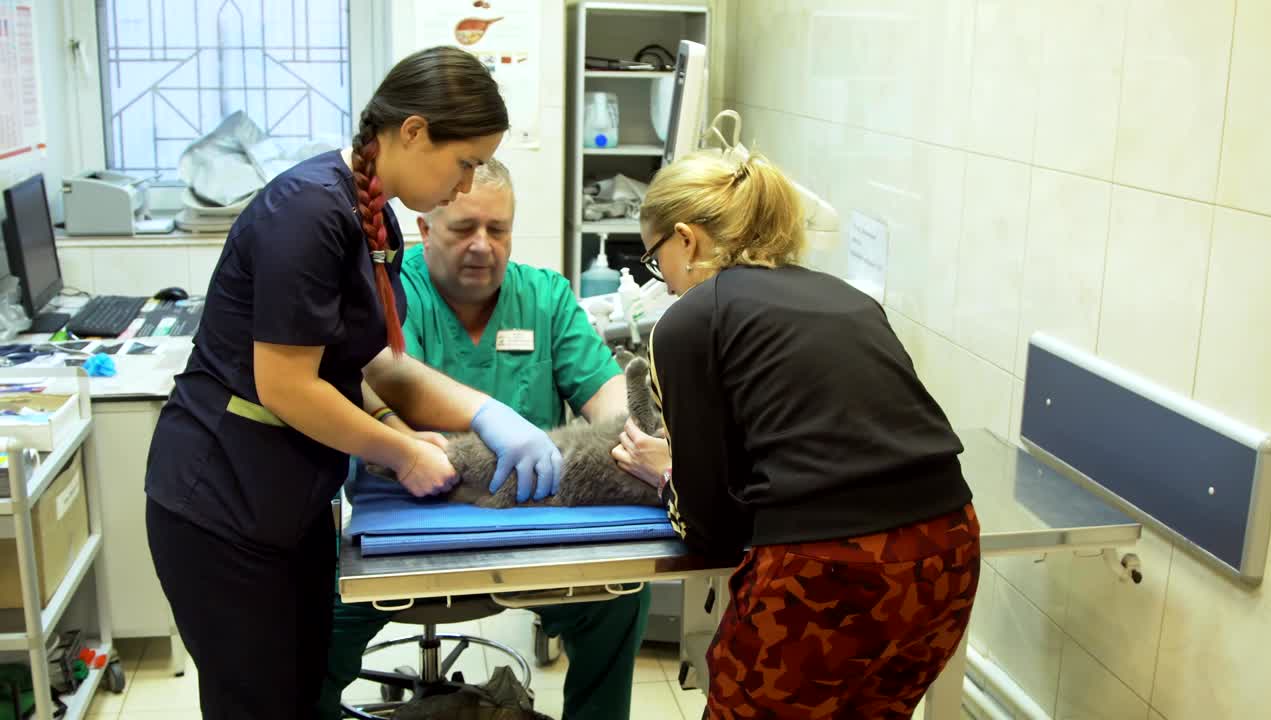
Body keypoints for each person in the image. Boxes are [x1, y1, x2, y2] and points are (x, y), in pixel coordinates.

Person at [144, 47, 566, 719]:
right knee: (258, 701)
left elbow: (380, 363)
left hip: (290, 500)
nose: (465, 186)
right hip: (221, 502)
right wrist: (399, 452)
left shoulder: (374, 217)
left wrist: (486, 413)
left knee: (301, 689)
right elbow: (285, 386)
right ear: (415, 131)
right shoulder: (306, 213)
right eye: (464, 163)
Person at [617, 149, 982, 719]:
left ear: (686, 240)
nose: (661, 284)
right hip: (949, 554)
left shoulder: (690, 319)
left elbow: (710, 529)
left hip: (830, 570)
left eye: (654, 259)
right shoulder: (847, 298)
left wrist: (669, 472)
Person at [319, 158, 655, 720]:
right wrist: (409, 446)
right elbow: (367, 390)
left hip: (535, 520)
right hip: (409, 523)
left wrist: (637, 439)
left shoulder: (544, 297)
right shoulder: (393, 295)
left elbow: (607, 397)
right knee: (318, 625)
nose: (483, 246)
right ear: (425, 229)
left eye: (498, 230)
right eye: (463, 229)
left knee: (619, 602)